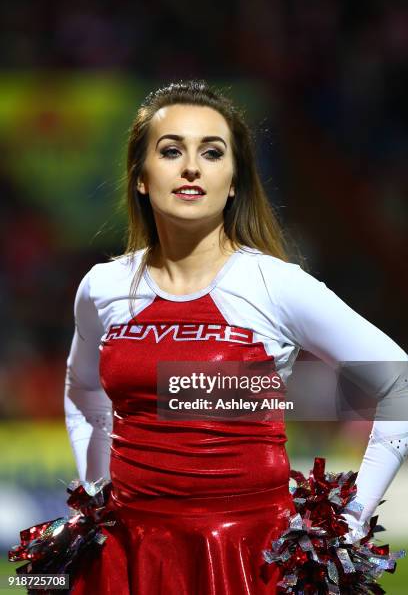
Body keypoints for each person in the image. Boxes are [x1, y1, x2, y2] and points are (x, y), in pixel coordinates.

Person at [64, 80, 408, 594]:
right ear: (140, 177)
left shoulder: (275, 284)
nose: (191, 167)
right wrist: (95, 486)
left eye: (212, 152)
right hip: (128, 555)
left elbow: (397, 379)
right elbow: (82, 389)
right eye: (171, 150)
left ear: (233, 182)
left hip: (250, 558)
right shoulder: (103, 286)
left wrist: (353, 519)